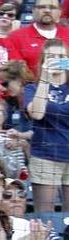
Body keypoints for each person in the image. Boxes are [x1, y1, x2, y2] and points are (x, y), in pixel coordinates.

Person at [24, 40, 69, 213]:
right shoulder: (32, 88)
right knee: (45, 215)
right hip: (45, 156)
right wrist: (45, 78)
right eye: (51, 57)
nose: (56, 60)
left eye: (61, 57)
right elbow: (37, 114)